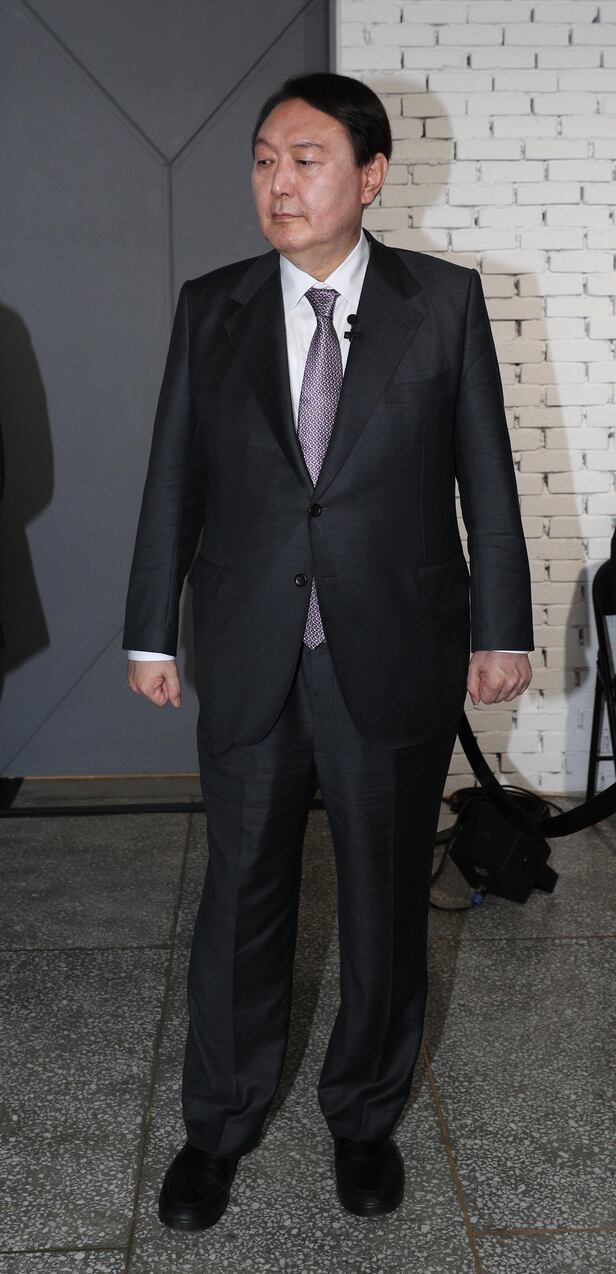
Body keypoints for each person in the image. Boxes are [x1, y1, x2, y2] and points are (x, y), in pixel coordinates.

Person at [123, 72, 534, 1232]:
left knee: (385, 896)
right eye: (263, 159)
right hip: (251, 645)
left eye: (305, 159)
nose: (278, 181)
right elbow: (173, 476)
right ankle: (218, 1123)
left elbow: (486, 475)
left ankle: (362, 1115)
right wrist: (150, 628)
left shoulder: (442, 302)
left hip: (393, 647)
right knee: (238, 896)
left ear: (370, 175)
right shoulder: (212, 306)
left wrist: (501, 624)